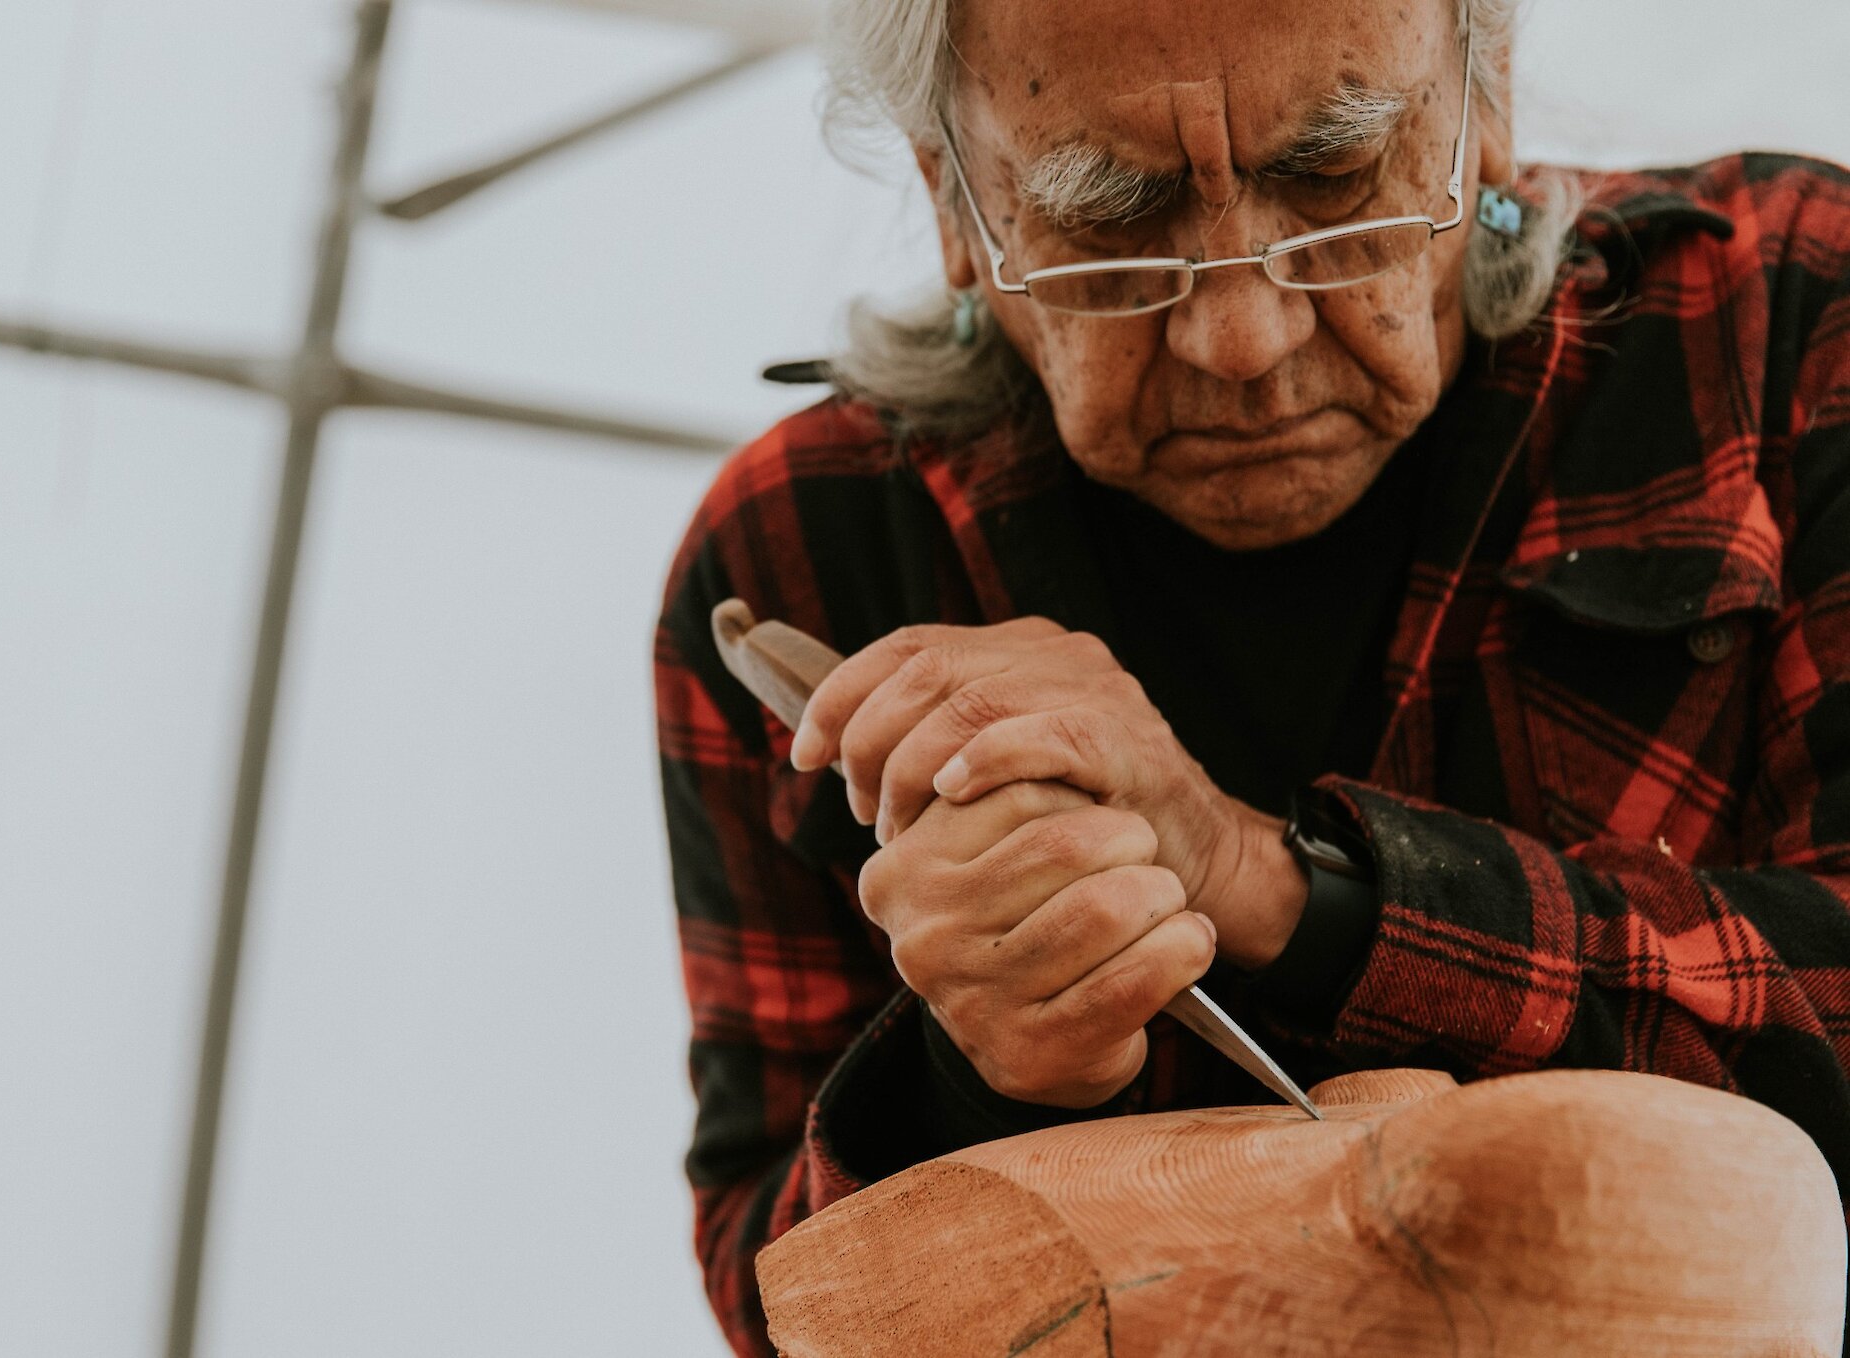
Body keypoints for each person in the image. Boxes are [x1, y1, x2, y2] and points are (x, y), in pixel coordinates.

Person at [650, 0, 1850, 1352]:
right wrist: (978, 1079)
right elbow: (775, 1299)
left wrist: (1271, 885)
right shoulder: (804, 549)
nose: (1243, 338)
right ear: (954, 202)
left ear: (1488, 100)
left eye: (1333, 177)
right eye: (1109, 218)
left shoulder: (1787, 325)